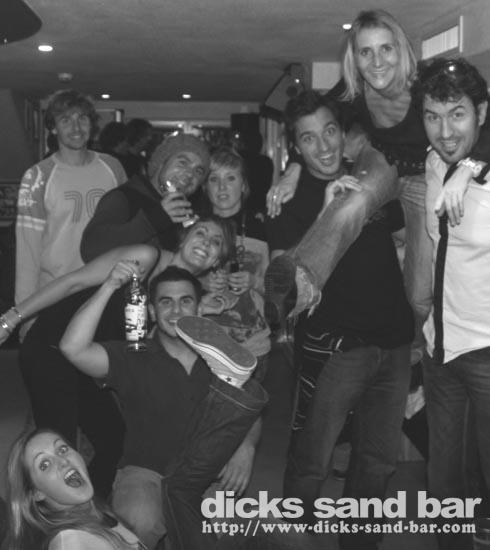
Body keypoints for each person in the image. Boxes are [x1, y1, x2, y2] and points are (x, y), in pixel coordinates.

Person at [264, 10, 486, 367]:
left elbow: (477, 119)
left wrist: (469, 165)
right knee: (352, 203)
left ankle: (420, 351)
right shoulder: (352, 91)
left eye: (386, 49)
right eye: (366, 52)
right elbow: (311, 119)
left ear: (401, 50)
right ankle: (299, 286)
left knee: (419, 295)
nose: (377, 61)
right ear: (354, 59)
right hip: (382, 160)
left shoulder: (426, 82)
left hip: (422, 176)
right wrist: (293, 167)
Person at [268, 90, 413, 550]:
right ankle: (293, 538)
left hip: (393, 341)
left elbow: (402, 238)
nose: (324, 146)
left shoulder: (370, 183)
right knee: (314, 458)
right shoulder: (288, 202)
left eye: (329, 131)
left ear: (342, 132)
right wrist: (324, 213)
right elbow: (281, 288)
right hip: (335, 349)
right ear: (296, 146)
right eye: (309, 139)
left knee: (378, 461)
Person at [0, 217, 234, 499]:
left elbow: (149, 348)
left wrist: (199, 313)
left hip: (88, 363)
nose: (206, 242)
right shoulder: (145, 258)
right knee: (59, 446)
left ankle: (92, 509)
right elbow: (74, 282)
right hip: (50, 347)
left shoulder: (183, 295)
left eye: (216, 241)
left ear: (217, 259)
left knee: (114, 442)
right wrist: (11, 319)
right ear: (183, 237)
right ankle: (39, 517)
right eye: (200, 233)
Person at [59, 264, 267, 550]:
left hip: (208, 474)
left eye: (185, 301)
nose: (176, 310)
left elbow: (249, 413)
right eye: (166, 302)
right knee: (139, 520)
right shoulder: (134, 355)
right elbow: (73, 348)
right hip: (147, 472)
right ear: (152, 312)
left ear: (199, 308)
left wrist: (246, 448)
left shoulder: (222, 355)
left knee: (224, 533)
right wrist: (108, 286)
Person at [412, 57, 490, 550]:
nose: (444, 132)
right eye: (433, 116)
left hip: (487, 351)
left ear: (481, 113)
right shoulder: (434, 162)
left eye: (457, 114)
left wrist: (475, 166)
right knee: (444, 490)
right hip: (440, 351)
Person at [15, 89, 126, 340]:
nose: (76, 127)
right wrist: (24, 314)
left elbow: (126, 232)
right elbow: (27, 253)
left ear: (92, 125)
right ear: (53, 128)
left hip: (105, 292)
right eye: (66, 120)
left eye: (82, 118)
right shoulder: (38, 177)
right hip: (54, 296)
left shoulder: (113, 167)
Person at [81, 133, 210, 261]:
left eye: (198, 171)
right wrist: (155, 219)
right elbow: (91, 249)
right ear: (161, 162)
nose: (189, 174)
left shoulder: (186, 216)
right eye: (183, 163)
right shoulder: (125, 198)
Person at [6, 429, 141, 550]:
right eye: (45, 464)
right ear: (37, 493)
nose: (63, 461)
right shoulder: (71, 543)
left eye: (62, 449)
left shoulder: (96, 514)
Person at [202, 147, 271, 380]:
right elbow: (174, 282)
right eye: (214, 179)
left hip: (253, 347)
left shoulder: (264, 228)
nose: (222, 187)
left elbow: (283, 290)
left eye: (230, 178)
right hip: (203, 345)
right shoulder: (194, 230)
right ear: (205, 187)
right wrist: (202, 282)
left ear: (243, 185)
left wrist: (253, 281)